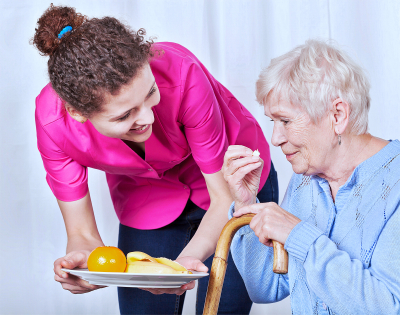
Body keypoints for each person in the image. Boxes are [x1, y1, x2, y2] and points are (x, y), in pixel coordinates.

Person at [32, 5, 278, 315]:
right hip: (147, 197)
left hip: (231, 185)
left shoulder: (181, 71)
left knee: (222, 309)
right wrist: (87, 265)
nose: (148, 117)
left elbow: (223, 199)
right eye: (125, 115)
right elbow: (81, 234)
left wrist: (183, 264)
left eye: (150, 92)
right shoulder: (53, 123)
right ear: (77, 112)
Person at [222, 39, 400, 314]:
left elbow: (387, 307)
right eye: (273, 122)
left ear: (337, 114)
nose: (275, 138)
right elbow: (264, 288)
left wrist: (298, 235)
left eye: (286, 121)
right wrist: (246, 205)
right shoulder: (307, 180)